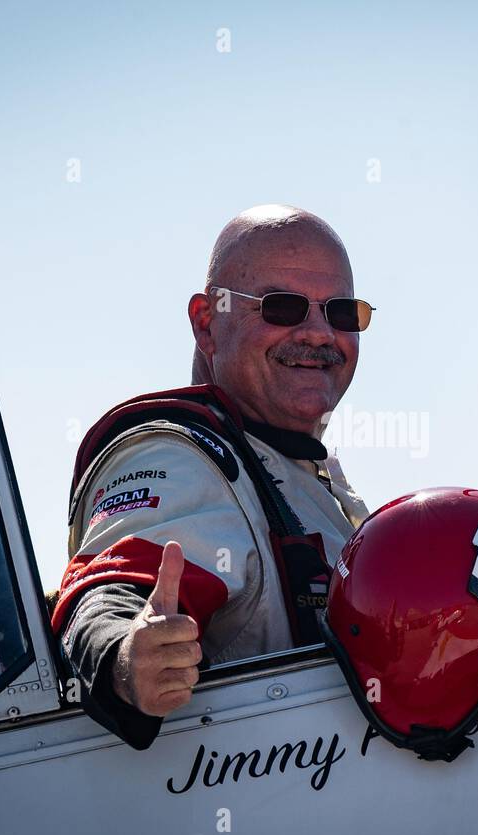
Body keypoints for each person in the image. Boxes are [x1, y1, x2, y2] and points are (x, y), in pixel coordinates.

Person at [49, 205, 372, 748]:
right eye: (283, 307)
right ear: (206, 322)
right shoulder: (184, 459)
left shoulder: (296, 470)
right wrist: (127, 655)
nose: (319, 333)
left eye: (341, 312)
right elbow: (109, 590)